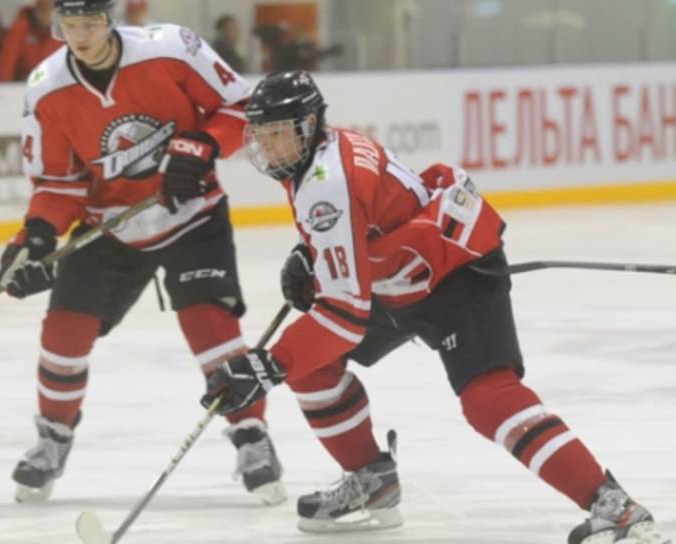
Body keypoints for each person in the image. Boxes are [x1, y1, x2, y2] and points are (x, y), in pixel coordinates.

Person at [201, 71, 673, 544]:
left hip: (454, 272)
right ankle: (372, 482)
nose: (268, 146)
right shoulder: (320, 154)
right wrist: (315, 255)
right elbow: (377, 216)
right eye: (261, 134)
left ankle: (613, 506)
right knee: (312, 366)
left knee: (487, 398)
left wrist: (267, 365)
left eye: (278, 132)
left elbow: (345, 317)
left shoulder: (326, 182)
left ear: (308, 125)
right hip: (400, 276)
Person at [0, 0, 285, 506]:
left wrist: (204, 144)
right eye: (69, 25)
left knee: (212, 327)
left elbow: (243, 107)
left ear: (111, 19)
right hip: (109, 228)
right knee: (63, 332)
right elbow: (57, 183)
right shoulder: (47, 88)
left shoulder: (170, 48)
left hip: (192, 212)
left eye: (90, 23)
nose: (80, 36)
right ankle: (53, 437)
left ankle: (251, 437)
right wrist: (36, 237)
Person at [0, 0, 63, 81]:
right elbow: (7, 61)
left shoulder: (64, 29)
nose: (47, 13)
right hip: (24, 84)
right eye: (44, 8)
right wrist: (4, 86)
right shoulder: (21, 26)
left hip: (55, 83)